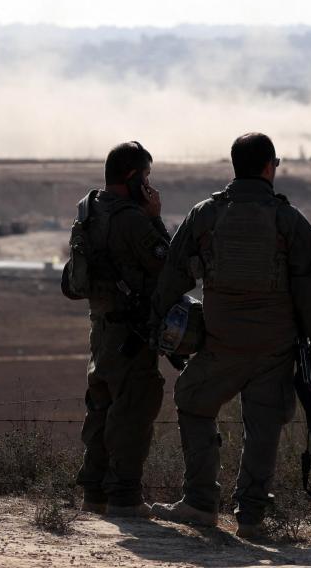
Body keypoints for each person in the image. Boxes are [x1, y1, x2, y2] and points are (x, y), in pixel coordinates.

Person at [148, 133, 311, 539]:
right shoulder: (290, 221)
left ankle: (199, 503)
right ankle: (250, 517)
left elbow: (173, 275)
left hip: (220, 344)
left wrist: (161, 326)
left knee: (193, 402)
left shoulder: (206, 214)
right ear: (269, 168)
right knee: (263, 427)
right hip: (275, 349)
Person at [75, 141, 170, 517]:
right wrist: (156, 217)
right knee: (133, 409)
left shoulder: (89, 211)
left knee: (101, 407)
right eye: (146, 177)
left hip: (100, 330)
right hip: (130, 335)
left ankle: (94, 492)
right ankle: (125, 497)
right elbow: (169, 264)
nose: (149, 186)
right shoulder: (132, 219)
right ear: (132, 177)